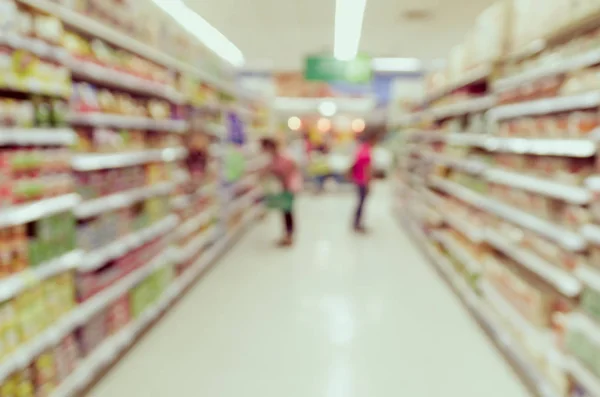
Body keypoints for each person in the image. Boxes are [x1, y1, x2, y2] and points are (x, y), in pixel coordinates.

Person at [260, 137, 302, 246]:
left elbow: (288, 169)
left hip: (288, 187)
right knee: (285, 211)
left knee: (287, 211)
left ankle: (289, 237)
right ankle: (287, 236)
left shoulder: (282, 156)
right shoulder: (276, 156)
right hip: (285, 187)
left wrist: (278, 176)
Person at [350, 129, 379, 233]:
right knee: (362, 203)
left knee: (360, 202)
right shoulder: (367, 151)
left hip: (358, 179)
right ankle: (358, 224)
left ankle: (356, 223)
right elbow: (368, 169)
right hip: (363, 181)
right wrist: (369, 183)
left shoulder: (361, 149)